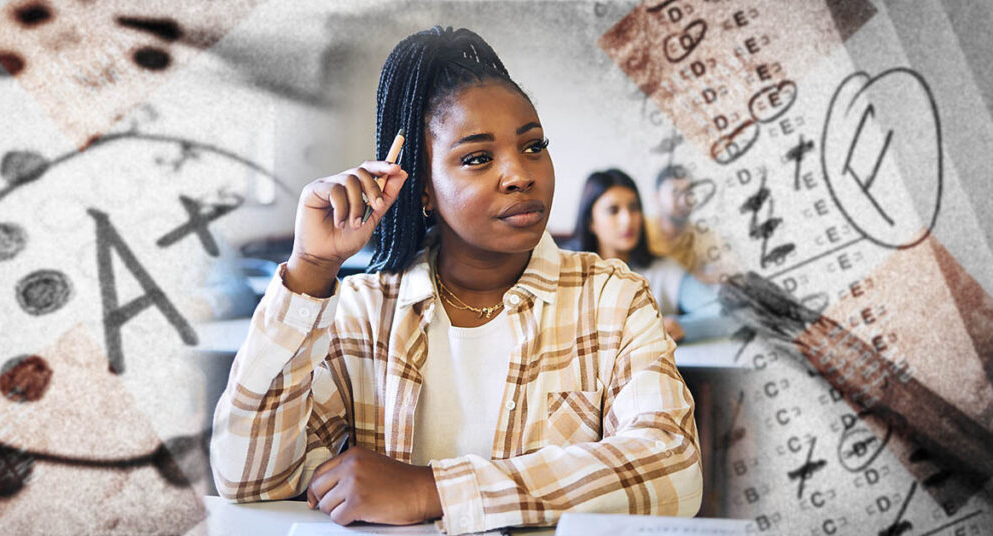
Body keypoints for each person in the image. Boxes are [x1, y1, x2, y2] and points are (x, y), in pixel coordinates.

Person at [210, 27, 701, 534]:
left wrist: (432, 489)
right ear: (423, 189)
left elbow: (674, 470)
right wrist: (311, 268)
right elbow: (249, 480)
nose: (519, 174)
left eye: (533, 146)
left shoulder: (611, 297)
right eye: (477, 158)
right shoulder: (364, 311)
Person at [569, 169, 734, 343]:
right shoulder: (566, 273)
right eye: (613, 210)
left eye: (634, 208)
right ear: (590, 222)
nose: (628, 219)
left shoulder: (665, 272)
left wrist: (683, 326)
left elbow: (723, 315)